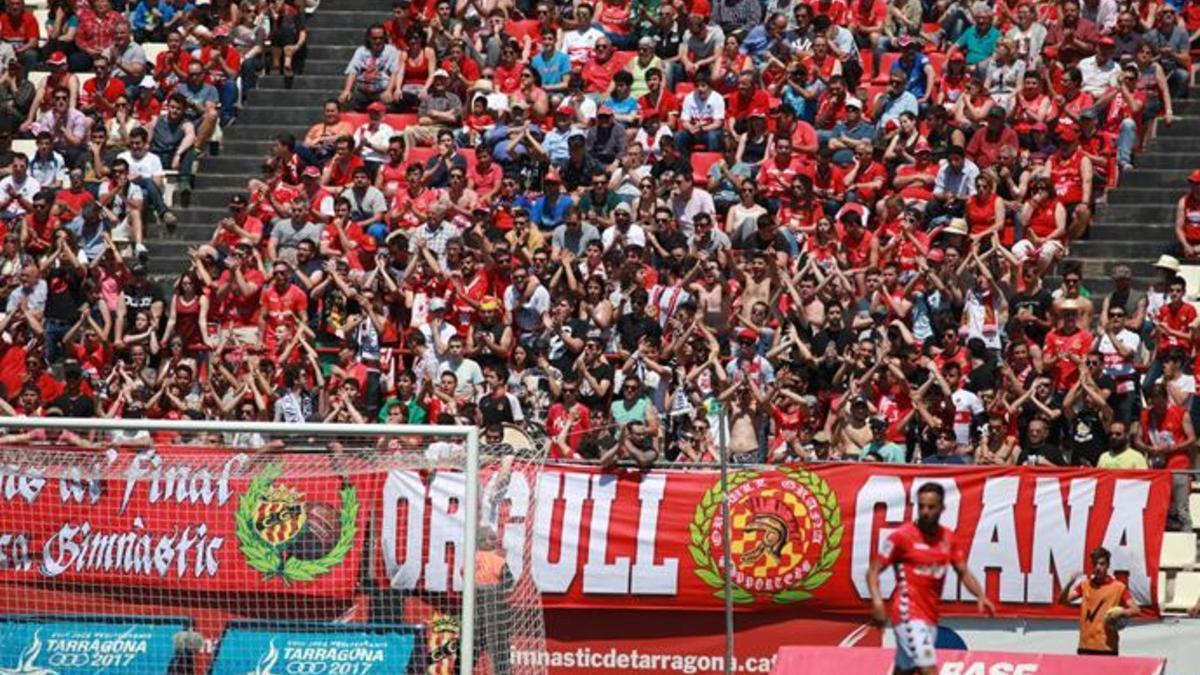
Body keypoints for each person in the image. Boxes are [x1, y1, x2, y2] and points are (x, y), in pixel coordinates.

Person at [867, 482, 995, 675]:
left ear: (942, 508)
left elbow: (963, 571)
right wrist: (877, 602)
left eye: (931, 507)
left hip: (930, 615)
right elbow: (873, 571)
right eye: (922, 506)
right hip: (906, 613)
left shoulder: (948, 538)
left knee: (904, 669)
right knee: (928, 667)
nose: (925, 511)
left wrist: (980, 595)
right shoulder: (901, 537)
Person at [1058, 546, 1139, 656]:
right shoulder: (1085, 585)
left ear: (1108, 565)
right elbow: (1062, 601)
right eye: (1095, 564)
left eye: (1102, 564)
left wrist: (1121, 612)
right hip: (1085, 647)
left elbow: (1136, 610)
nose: (1098, 567)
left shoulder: (1118, 587)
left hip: (1107, 648)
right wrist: (1070, 583)